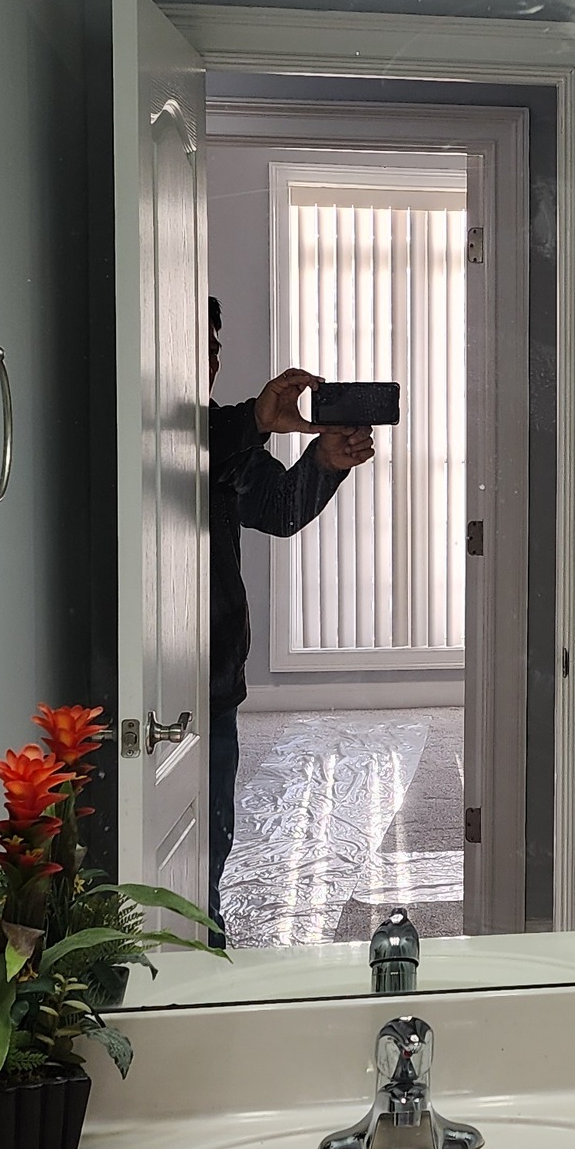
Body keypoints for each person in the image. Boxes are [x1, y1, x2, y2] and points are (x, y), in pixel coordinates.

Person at [207, 297, 376, 940]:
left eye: (216, 347)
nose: (212, 358)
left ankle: (206, 938)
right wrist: (257, 417)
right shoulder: (206, 432)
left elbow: (278, 510)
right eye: (199, 344)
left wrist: (325, 463)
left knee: (205, 840)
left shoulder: (224, 435)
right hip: (146, 694)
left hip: (214, 681)